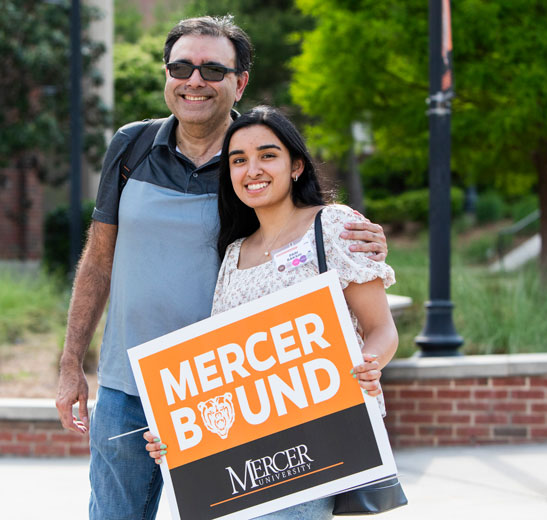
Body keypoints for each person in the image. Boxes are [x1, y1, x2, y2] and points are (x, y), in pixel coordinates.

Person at [55, 16, 389, 520]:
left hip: (221, 394)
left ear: (240, 81)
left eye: (213, 69)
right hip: (127, 386)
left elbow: (304, 228)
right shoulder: (131, 145)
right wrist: (70, 364)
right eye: (181, 66)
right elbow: (99, 261)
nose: (195, 80)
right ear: (166, 74)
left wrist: (366, 239)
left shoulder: (253, 159)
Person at [143, 106, 398, 519]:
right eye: (238, 160)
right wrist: (176, 429)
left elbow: (381, 329)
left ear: (296, 165)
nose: (252, 169)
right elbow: (225, 371)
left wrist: (368, 363)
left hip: (314, 442)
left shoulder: (333, 225)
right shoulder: (233, 254)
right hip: (244, 458)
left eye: (267, 155)